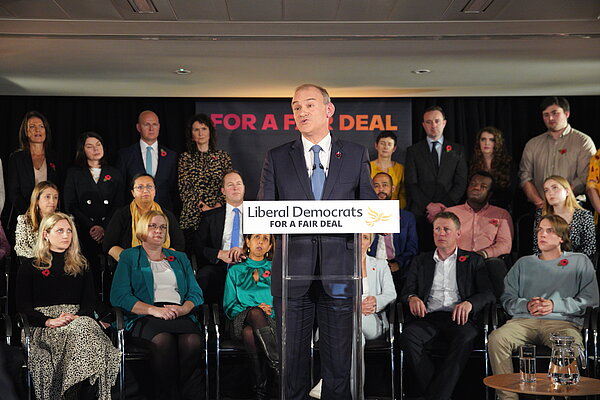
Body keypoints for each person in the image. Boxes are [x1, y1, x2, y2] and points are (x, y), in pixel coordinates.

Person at [257, 83, 377, 399]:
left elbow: (370, 208)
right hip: (291, 276)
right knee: (293, 362)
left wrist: (368, 230)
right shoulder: (278, 157)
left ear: (328, 109)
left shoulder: (354, 154)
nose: (302, 111)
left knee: (339, 361)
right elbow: (265, 212)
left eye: (309, 104)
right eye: (296, 106)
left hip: (340, 273)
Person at [488, 214, 599, 400]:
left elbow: (591, 300)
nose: (542, 234)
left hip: (563, 323)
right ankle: (507, 397)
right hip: (524, 321)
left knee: (568, 345)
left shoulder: (580, 261)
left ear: (562, 237)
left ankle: (561, 396)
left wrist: (554, 305)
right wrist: (527, 305)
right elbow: (507, 299)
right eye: (540, 230)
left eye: (549, 231)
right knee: (497, 338)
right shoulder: (523, 263)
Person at [16, 212, 120, 400]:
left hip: (77, 321)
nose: (66, 236)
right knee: (90, 333)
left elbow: (89, 302)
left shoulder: (81, 264)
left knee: (85, 328)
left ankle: (73, 392)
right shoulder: (30, 266)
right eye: (60, 231)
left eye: (69, 231)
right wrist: (48, 321)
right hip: (43, 326)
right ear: (46, 234)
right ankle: (78, 392)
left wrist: (77, 317)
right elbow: (23, 307)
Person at [110, 210, 205, 400]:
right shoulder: (129, 257)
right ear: (142, 229)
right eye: (153, 226)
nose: (158, 230)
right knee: (163, 340)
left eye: (163, 227)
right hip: (144, 315)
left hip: (178, 313)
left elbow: (196, 293)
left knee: (192, 341)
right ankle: (168, 395)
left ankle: (179, 392)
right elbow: (119, 296)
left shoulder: (179, 258)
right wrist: (154, 310)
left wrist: (184, 308)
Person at [400, 211, 495, 400]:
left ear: (458, 234)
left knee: (467, 336)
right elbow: (405, 292)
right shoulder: (421, 260)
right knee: (408, 336)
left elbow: (488, 294)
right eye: (437, 229)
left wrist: (469, 303)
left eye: (446, 229)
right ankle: (441, 396)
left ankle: (435, 396)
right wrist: (412, 297)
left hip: (459, 317)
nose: (441, 233)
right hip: (429, 316)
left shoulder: (473, 260)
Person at [311, 232, 397, 399]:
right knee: (356, 338)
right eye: (356, 237)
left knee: (352, 325)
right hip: (344, 318)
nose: (360, 241)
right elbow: (329, 295)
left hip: (371, 319)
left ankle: (329, 381)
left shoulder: (379, 265)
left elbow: (391, 294)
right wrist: (353, 306)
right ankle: (357, 396)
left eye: (365, 238)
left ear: (370, 242)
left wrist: (375, 301)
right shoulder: (337, 266)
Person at [64, 132, 125, 290]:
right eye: (89, 146)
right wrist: (91, 226)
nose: (95, 149)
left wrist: (103, 227)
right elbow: (70, 204)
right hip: (83, 231)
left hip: (109, 230)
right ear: (82, 150)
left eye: (98, 144)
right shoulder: (74, 173)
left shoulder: (115, 173)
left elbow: (118, 205)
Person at [223, 233, 278, 400]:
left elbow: (283, 302)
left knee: (250, 332)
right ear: (247, 242)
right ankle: (278, 366)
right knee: (254, 313)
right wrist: (255, 310)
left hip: (272, 321)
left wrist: (269, 311)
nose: (260, 241)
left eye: (265, 239)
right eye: (256, 237)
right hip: (240, 319)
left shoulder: (276, 269)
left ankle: (260, 391)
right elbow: (229, 305)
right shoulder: (235, 270)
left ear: (269, 247)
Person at [405, 106, 468, 251]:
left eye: (437, 121)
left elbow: (461, 182)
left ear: (444, 123)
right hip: (421, 214)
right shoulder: (413, 151)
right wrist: (429, 206)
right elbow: (411, 183)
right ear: (423, 125)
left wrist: (441, 208)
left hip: (449, 212)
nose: (433, 125)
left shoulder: (457, 150)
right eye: (429, 122)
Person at [519, 96, 595, 208]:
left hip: (572, 206)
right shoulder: (532, 144)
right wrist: (540, 203)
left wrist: (561, 199)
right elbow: (525, 176)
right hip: (541, 207)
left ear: (567, 114)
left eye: (555, 113)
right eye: (546, 115)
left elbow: (586, 176)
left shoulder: (583, 141)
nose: (550, 118)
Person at [178, 113, 232, 253]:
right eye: (196, 130)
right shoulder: (185, 158)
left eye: (203, 128)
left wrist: (217, 205)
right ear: (191, 135)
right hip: (192, 217)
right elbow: (185, 188)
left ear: (210, 132)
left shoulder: (222, 157)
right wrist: (203, 206)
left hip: (217, 215)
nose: (200, 133)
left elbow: (229, 184)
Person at [103, 173, 184, 262]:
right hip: (130, 265)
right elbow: (109, 244)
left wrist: (161, 260)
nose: (145, 190)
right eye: (140, 187)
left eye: (149, 186)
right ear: (133, 193)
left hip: (162, 264)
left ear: (155, 191)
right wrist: (129, 261)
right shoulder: (122, 215)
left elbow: (179, 244)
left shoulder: (167, 215)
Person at [193, 170, 246, 305]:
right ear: (223, 191)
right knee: (204, 276)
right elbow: (196, 247)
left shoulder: (257, 213)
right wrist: (219, 254)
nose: (235, 188)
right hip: (220, 266)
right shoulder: (210, 216)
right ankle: (197, 320)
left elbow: (268, 243)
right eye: (230, 185)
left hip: (248, 264)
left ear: (244, 188)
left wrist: (246, 251)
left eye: (238, 184)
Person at [117, 110, 178, 211]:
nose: (151, 129)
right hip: (134, 214)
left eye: (154, 124)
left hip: (163, 214)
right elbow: (121, 190)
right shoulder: (125, 155)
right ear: (138, 127)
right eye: (147, 125)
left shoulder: (171, 156)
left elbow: (174, 190)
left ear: (159, 127)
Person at [368, 172, 418, 292]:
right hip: (371, 267)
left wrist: (398, 264)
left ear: (393, 188)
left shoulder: (407, 218)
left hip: (397, 268)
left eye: (385, 185)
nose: (381, 189)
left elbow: (412, 249)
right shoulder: (366, 215)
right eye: (376, 186)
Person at [445, 171, 513, 259]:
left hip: (487, 261)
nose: (476, 187)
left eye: (483, 186)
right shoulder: (450, 213)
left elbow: (505, 245)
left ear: (490, 194)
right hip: (455, 260)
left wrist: (483, 254)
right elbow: (443, 240)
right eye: (473, 184)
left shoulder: (502, 215)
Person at [7, 111, 60, 217]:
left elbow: (59, 188)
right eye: (32, 126)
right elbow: (13, 192)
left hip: (51, 216)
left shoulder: (55, 158)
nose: (37, 130)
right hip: (25, 214)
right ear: (25, 132)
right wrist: (31, 213)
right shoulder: (17, 158)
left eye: (41, 126)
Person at [532, 175, 595, 257]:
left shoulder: (584, 215)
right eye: (546, 190)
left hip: (576, 265)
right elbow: (537, 247)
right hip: (547, 264)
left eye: (555, 188)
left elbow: (589, 248)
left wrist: (569, 264)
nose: (550, 193)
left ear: (567, 191)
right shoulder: (541, 214)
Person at [468, 126, 513, 209]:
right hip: (476, 207)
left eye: (491, 140)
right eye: (483, 139)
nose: (486, 143)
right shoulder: (471, 163)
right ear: (479, 142)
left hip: (501, 207)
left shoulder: (507, 163)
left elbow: (510, 192)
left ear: (497, 143)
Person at [14, 181, 59, 259]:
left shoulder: (61, 221)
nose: (52, 201)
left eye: (55, 197)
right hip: (34, 263)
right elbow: (21, 248)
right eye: (47, 197)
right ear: (37, 200)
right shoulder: (24, 220)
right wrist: (43, 259)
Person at [370, 131, 406, 208]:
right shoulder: (367, 167)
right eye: (382, 143)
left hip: (395, 211)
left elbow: (403, 195)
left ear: (394, 148)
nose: (385, 147)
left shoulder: (400, 169)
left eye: (389, 144)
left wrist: (398, 210)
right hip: (371, 210)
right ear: (376, 146)